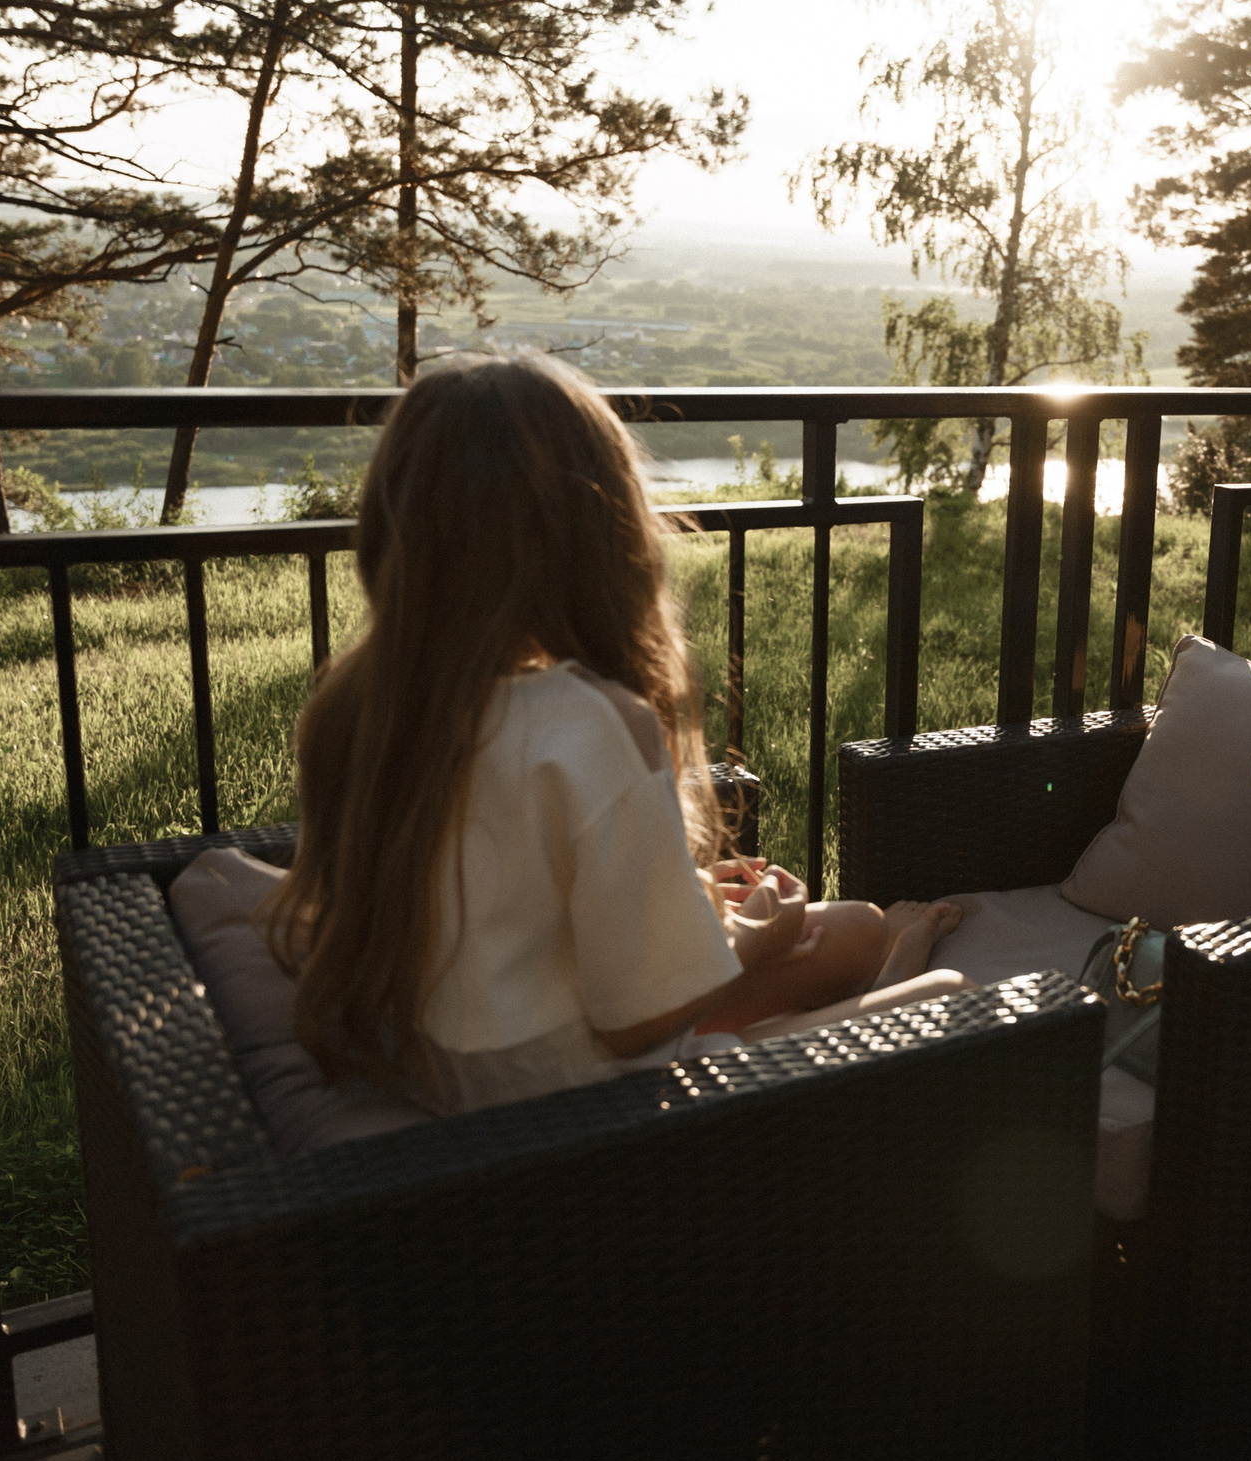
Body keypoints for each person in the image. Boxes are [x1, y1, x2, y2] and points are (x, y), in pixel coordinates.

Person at [265, 353, 967, 1116]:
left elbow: (495, 901)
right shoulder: (593, 722)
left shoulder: (357, 701)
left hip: (443, 1059)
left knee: (854, 928)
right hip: (576, 1101)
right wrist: (750, 943)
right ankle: (896, 973)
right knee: (946, 989)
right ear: (600, 534)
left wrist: (694, 902)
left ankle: (863, 957)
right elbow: (634, 1024)